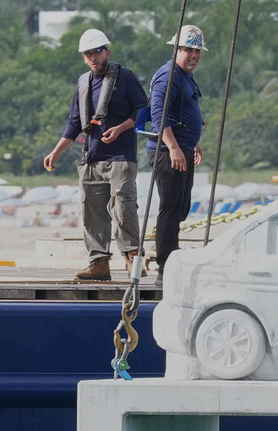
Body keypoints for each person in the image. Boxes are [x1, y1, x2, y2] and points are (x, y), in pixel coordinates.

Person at [43, 28, 148, 281]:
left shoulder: (126, 78)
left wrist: (121, 128)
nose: (93, 58)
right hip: (91, 158)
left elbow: (143, 110)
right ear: (84, 58)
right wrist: (56, 152)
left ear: (107, 53)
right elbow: (74, 122)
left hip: (121, 157)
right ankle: (98, 263)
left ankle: (133, 259)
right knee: (92, 212)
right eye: (88, 54)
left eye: (97, 52)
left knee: (124, 207)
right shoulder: (82, 83)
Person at [141, 24, 206, 284]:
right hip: (168, 151)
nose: (194, 55)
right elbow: (159, 116)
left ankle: (171, 256)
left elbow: (183, 111)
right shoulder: (168, 75)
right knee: (169, 208)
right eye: (189, 49)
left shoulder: (185, 76)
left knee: (181, 208)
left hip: (183, 148)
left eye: (197, 51)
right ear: (177, 50)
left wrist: (193, 143)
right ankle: (165, 267)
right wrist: (175, 148)